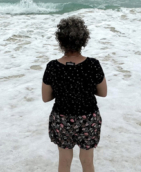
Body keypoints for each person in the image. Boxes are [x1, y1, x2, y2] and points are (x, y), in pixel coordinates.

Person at [42, 16, 107, 172]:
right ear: (84, 39)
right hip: (88, 119)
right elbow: (103, 92)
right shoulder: (93, 64)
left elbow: (46, 98)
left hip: (62, 119)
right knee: (87, 161)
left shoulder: (52, 67)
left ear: (60, 40)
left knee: (64, 162)